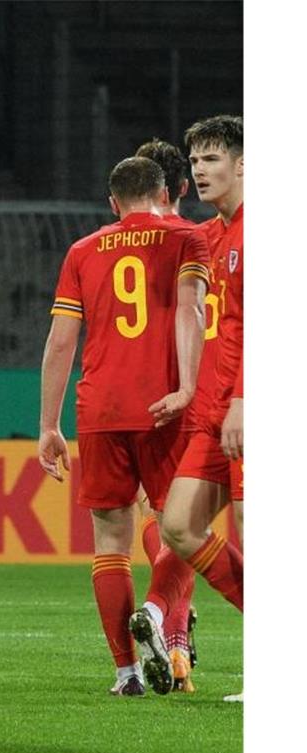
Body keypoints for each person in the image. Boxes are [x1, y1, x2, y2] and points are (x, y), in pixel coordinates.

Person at [38, 156, 209, 697]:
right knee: (183, 530)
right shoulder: (187, 238)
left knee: (109, 542)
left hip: (100, 411)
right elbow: (192, 312)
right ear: (165, 194)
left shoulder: (82, 251)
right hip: (165, 407)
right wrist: (188, 386)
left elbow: (62, 341)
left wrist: (48, 425)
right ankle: (161, 620)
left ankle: (126, 672)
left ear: (112, 203)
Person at [129, 115, 243, 701]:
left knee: (237, 532)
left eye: (212, 159)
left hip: (229, 404)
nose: (201, 170)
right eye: (195, 161)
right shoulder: (207, 237)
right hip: (204, 406)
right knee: (178, 526)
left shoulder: (250, 232)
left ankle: (176, 634)